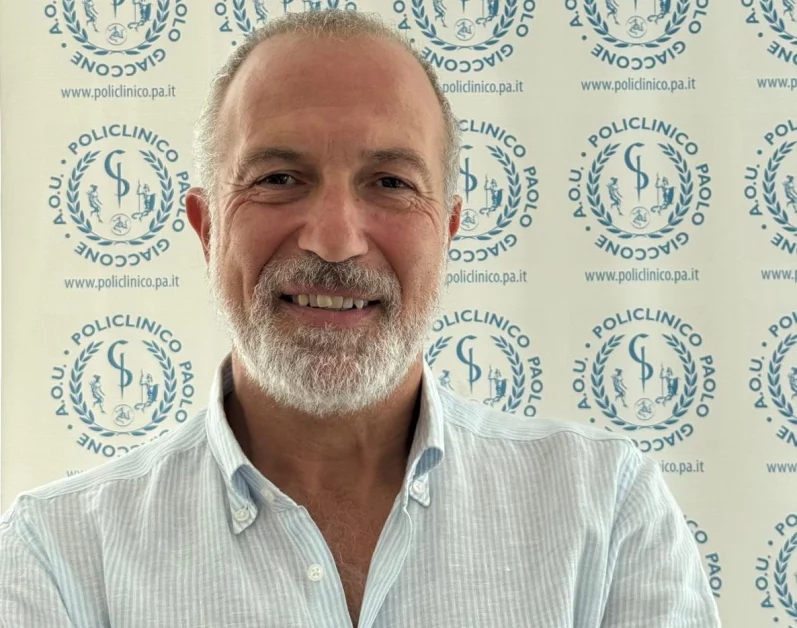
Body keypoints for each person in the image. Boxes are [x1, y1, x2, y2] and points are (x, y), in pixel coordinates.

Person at [0, 9, 720, 628]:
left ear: (448, 229)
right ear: (206, 226)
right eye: (279, 179)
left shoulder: (606, 510)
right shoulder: (59, 555)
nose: (336, 240)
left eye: (390, 183)